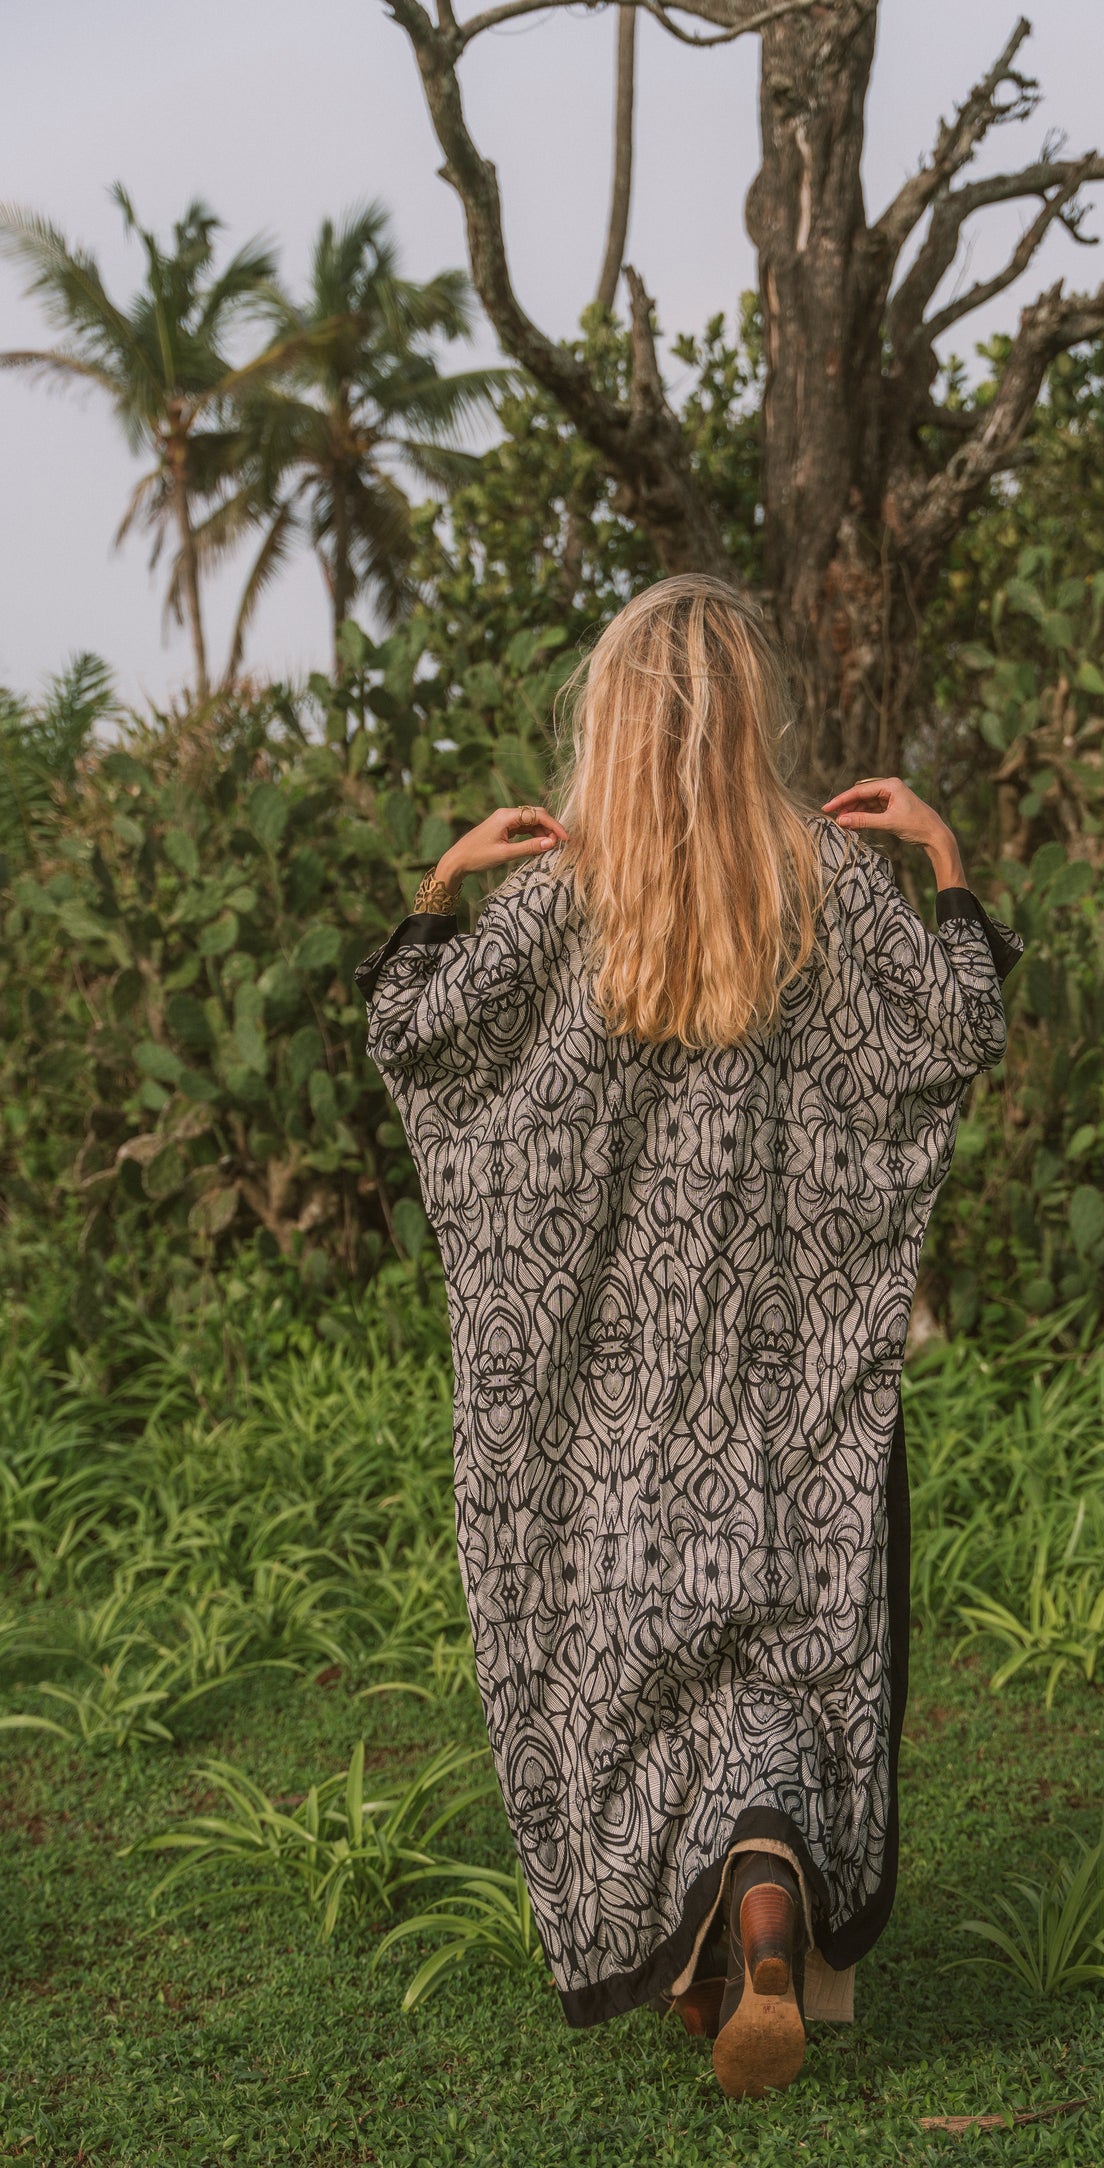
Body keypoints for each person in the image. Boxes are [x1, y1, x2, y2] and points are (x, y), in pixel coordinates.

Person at [356, 573, 1022, 2098]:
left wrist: (441, 885)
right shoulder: (835, 887)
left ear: (606, 716)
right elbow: (952, 1029)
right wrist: (947, 866)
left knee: (627, 1676)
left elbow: (414, 1040)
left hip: (605, 1407)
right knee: (787, 1666)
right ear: (753, 718)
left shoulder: (554, 899)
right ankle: (769, 1908)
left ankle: (685, 1942)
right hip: (792, 1397)